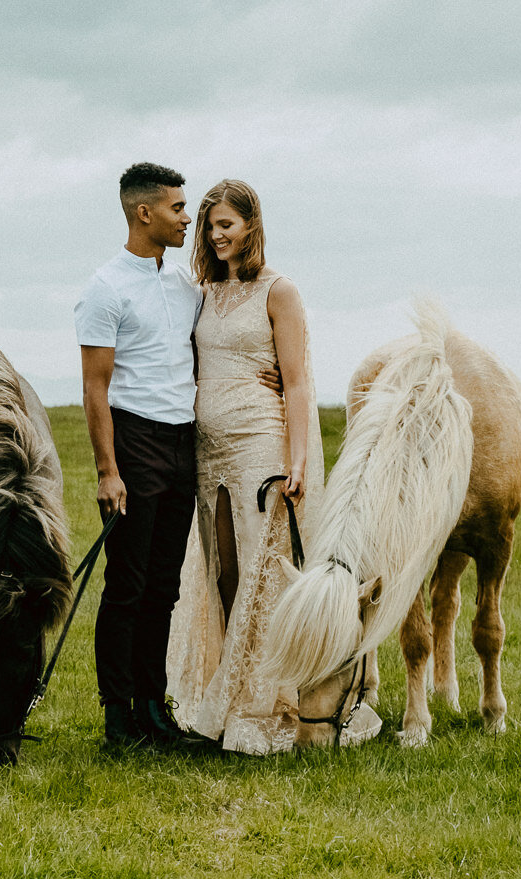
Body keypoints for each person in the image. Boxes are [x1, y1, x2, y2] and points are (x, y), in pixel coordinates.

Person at [165, 179, 381, 753]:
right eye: (210, 227)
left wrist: (300, 460)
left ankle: (276, 698)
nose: (216, 236)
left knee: (268, 574)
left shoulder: (278, 291)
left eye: (226, 225)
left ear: (251, 226)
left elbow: (298, 381)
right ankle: (231, 692)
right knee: (225, 572)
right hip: (208, 451)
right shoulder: (203, 294)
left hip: (262, 444)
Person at [75, 162, 210, 750]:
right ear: (144, 212)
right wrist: (109, 470)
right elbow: (95, 388)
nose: (188, 218)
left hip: (184, 444)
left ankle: (155, 712)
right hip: (134, 441)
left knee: (165, 587)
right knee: (126, 585)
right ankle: (117, 717)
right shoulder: (104, 289)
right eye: (179, 208)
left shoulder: (184, 286)